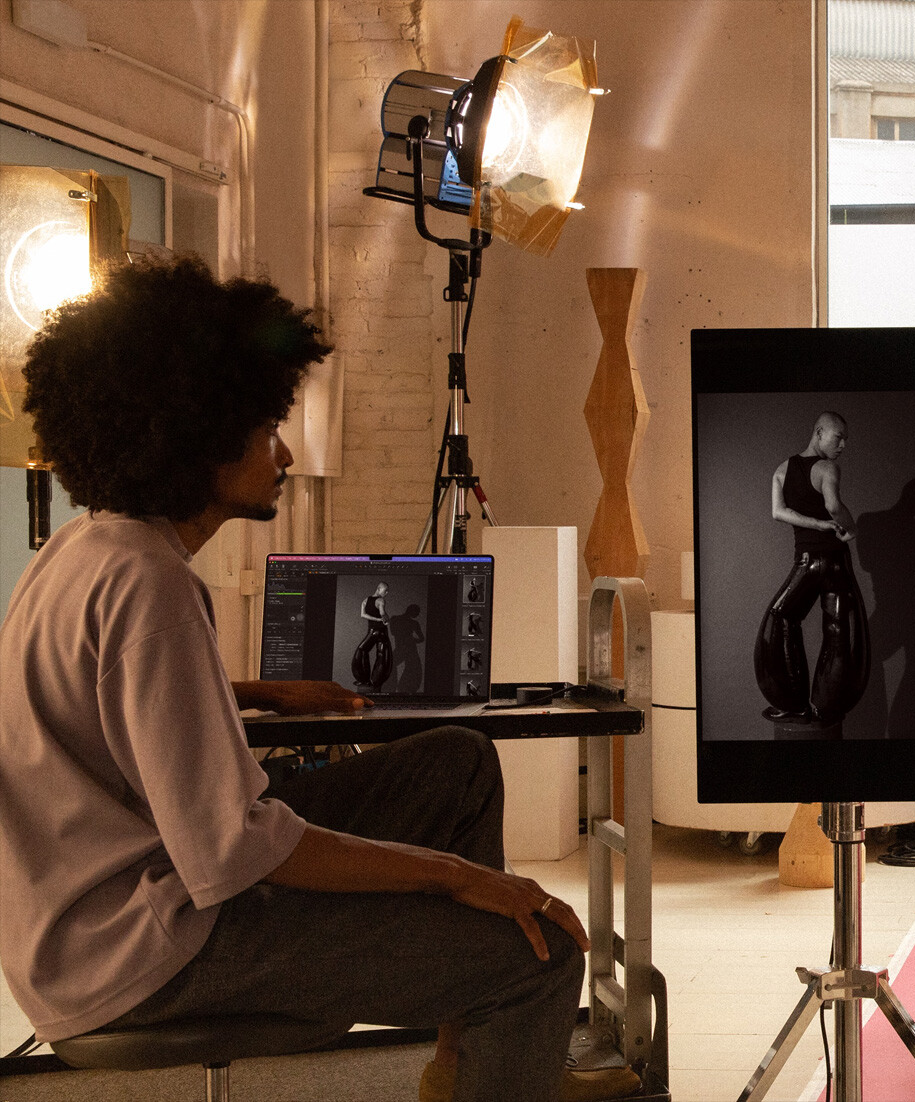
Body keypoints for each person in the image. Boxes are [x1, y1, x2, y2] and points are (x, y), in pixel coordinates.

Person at [0, 257, 639, 1102]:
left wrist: (253, 693)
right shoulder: (150, 582)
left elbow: (91, 703)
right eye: (267, 428)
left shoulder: (83, 550)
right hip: (146, 951)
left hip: (88, 926)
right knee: (541, 954)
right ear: (195, 436)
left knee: (456, 764)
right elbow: (233, 850)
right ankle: (505, 1050)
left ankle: (469, 1064)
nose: (286, 452)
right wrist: (457, 876)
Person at [754, 410, 870, 728]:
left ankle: (793, 704)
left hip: (806, 560)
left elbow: (779, 512)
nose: (843, 445)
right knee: (839, 631)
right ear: (819, 433)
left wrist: (816, 524)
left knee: (782, 617)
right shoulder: (827, 467)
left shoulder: (782, 469)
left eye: (845, 439)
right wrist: (849, 527)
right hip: (834, 562)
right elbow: (833, 505)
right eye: (838, 437)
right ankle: (825, 708)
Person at [352, 581, 394, 688]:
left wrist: (378, 619)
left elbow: (363, 615)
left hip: (371, 630)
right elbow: (382, 613)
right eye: (385, 590)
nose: (387, 593)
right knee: (382, 655)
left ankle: (365, 679)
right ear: (379, 589)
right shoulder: (381, 600)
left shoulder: (366, 600)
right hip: (381, 631)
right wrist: (383, 619)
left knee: (363, 650)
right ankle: (374, 681)